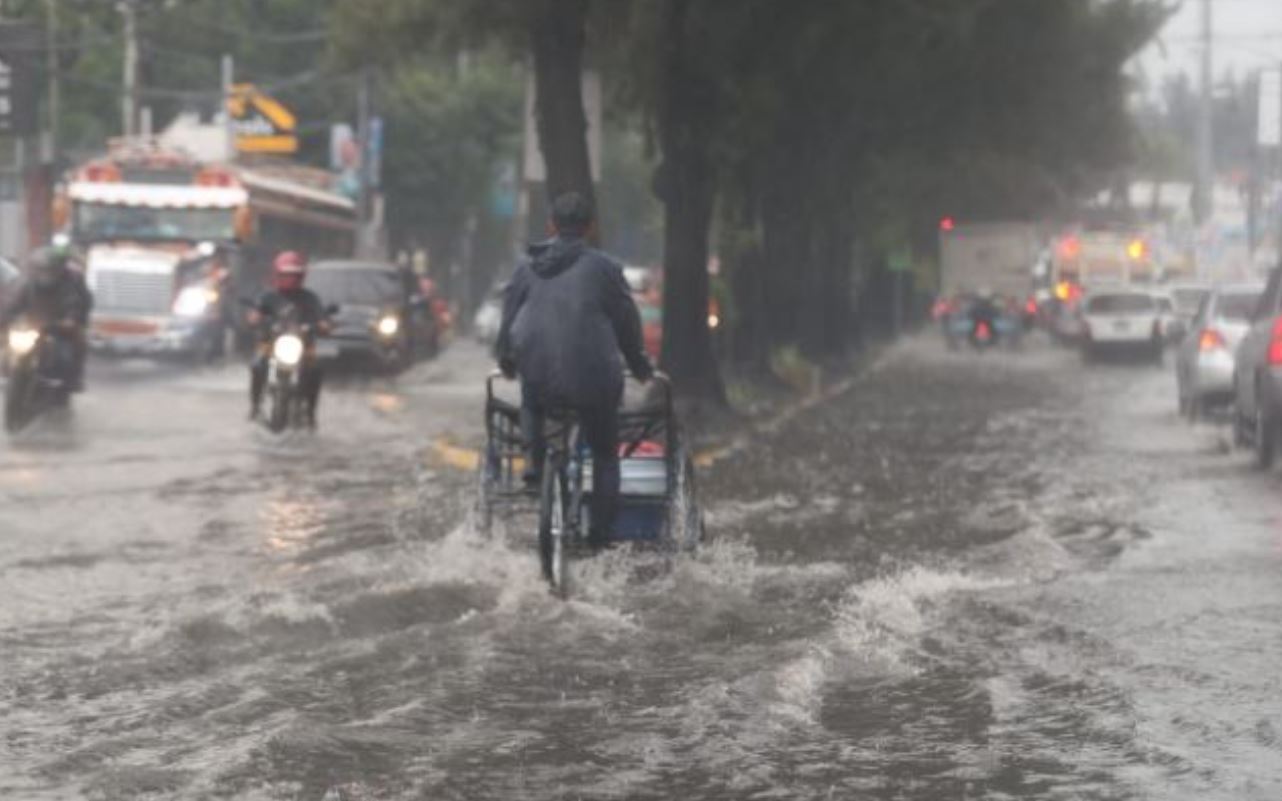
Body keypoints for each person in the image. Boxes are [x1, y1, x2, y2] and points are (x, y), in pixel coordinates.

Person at [495, 192, 654, 551]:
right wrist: (639, 365)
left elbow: (509, 320)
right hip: (595, 377)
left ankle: (533, 462)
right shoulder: (605, 269)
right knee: (604, 453)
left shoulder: (526, 266)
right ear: (591, 228)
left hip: (537, 372)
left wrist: (506, 358)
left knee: (532, 396)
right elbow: (627, 324)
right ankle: (600, 536)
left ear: (551, 224)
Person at [246, 251, 330, 426]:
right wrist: (256, 318)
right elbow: (256, 313)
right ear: (276, 274)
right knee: (257, 366)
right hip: (271, 344)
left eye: (294, 275)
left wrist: (322, 325)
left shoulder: (310, 298)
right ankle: (254, 406)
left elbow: (322, 318)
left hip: (303, 346)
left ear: (301, 276)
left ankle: (310, 412)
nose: (290, 279)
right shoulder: (268, 296)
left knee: (315, 370)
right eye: (285, 275)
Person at [0, 244, 93, 391]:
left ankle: (73, 379)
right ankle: (7, 370)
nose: (45, 274)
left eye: (48, 271)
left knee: (74, 344)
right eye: (42, 270)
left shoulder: (70, 283)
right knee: (9, 342)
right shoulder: (28, 284)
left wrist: (71, 320)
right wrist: (5, 318)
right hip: (32, 326)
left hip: (58, 327)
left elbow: (75, 304)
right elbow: (15, 302)